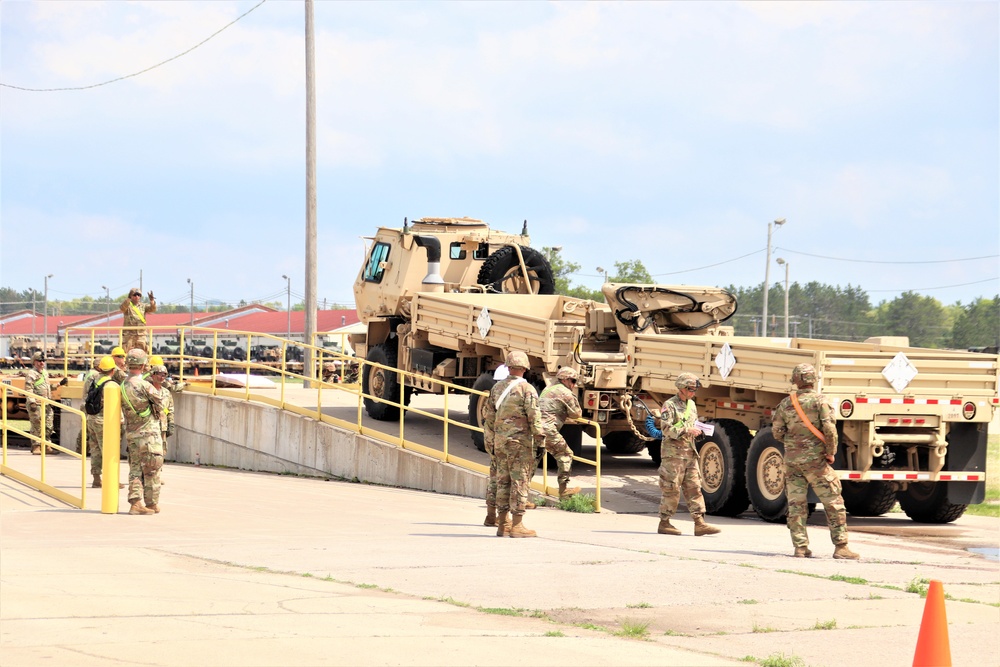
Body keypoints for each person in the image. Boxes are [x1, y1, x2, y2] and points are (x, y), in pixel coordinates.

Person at [772, 363, 859, 559]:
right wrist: (831, 452)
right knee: (833, 502)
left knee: (796, 505)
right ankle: (841, 547)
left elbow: (777, 432)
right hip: (816, 462)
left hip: (793, 462)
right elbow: (829, 430)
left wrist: (794, 444)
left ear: (795, 380)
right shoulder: (821, 402)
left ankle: (800, 547)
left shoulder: (786, 403)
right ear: (813, 380)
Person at [649, 372, 720, 536]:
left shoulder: (692, 405)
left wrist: (698, 431)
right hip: (673, 456)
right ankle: (664, 522)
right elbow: (666, 429)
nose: (693, 393)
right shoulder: (670, 405)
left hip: (690, 453)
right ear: (681, 388)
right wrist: (686, 430)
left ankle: (699, 523)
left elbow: (693, 423)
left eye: (694, 390)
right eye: (690, 389)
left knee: (694, 487)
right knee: (672, 488)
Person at [483, 351, 544, 538]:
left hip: (500, 443)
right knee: (519, 481)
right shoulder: (527, 390)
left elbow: (489, 418)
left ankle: (502, 524)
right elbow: (534, 417)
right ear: (525, 368)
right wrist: (540, 440)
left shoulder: (497, 388)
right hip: (520, 444)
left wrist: (491, 443)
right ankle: (517, 525)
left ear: (507, 367)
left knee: (502, 481)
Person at [120, 348, 164, 515]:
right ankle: (152, 503)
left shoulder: (122, 386)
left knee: (136, 469)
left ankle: (136, 503)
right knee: (152, 469)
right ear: (144, 364)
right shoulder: (146, 386)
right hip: (148, 434)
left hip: (132, 433)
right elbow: (160, 405)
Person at [537, 367, 583, 499]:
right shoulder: (566, 393)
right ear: (565, 379)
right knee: (566, 455)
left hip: (535, 429)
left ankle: (520, 499)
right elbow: (576, 414)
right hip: (548, 430)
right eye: (573, 381)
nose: (574, 385)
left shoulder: (548, 389)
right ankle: (563, 490)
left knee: (532, 461)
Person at [82, 356, 120, 488]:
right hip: (103, 422)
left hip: (91, 418)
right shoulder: (111, 385)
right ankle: (112, 480)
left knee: (95, 449)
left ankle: (96, 479)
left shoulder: (95, 380)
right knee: (108, 450)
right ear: (113, 370)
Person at [481, 364, 508, 528]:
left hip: (492, 442)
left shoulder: (493, 395)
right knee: (505, 481)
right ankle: (504, 519)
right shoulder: (510, 396)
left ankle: (490, 516)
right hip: (503, 444)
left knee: (494, 480)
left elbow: (487, 417)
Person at [23, 351, 56, 455]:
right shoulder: (31, 374)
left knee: (48, 425)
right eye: (39, 361)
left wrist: (59, 384)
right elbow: (28, 389)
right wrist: (32, 402)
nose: (42, 363)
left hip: (46, 403)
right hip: (36, 404)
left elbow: (47, 388)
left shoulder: (45, 373)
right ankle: (36, 446)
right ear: (34, 362)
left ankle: (46, 445)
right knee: (37, 425)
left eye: (43, 361)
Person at [120, 289, 156, 353]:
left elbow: (152, 309)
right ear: (131, 296)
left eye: (139, 295)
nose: (137, 296)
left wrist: (152, 301)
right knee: (127, 353)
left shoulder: (143, 306)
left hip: (141, 335)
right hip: (129, 336)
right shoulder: (127, 306)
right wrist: (128, 298)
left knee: (143, 353)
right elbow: (122, 308)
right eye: (135, 295)